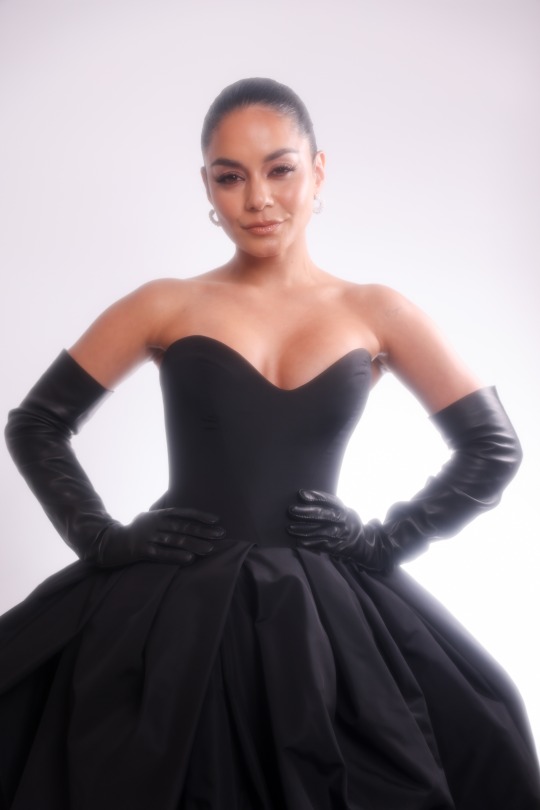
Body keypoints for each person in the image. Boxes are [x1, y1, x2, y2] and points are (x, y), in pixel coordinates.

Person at [1, 77, 539, 810]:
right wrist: (101, 539)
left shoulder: (376, 310)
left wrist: (383, 541)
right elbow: (35, 424)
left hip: (326, 616)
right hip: (168, 605)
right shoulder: (166, 303)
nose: (258, 199)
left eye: (280, 169)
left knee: (476, 724)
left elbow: (493, 447)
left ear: (318, 171)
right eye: (231, 177)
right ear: (207, 186)